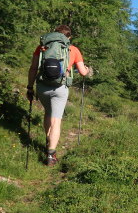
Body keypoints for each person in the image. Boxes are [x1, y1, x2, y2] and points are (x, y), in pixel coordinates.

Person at [26, 24, 92, 165]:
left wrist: (30, 88)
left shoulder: (42, 47)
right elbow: (82, 72)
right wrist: (87, 70)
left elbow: (33, 68)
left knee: (48, 113)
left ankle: (49, 139)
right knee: (56, 120)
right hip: (60, 88)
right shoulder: (72, 49)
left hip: (42, 86)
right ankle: (51, 154)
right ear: (69, 37)